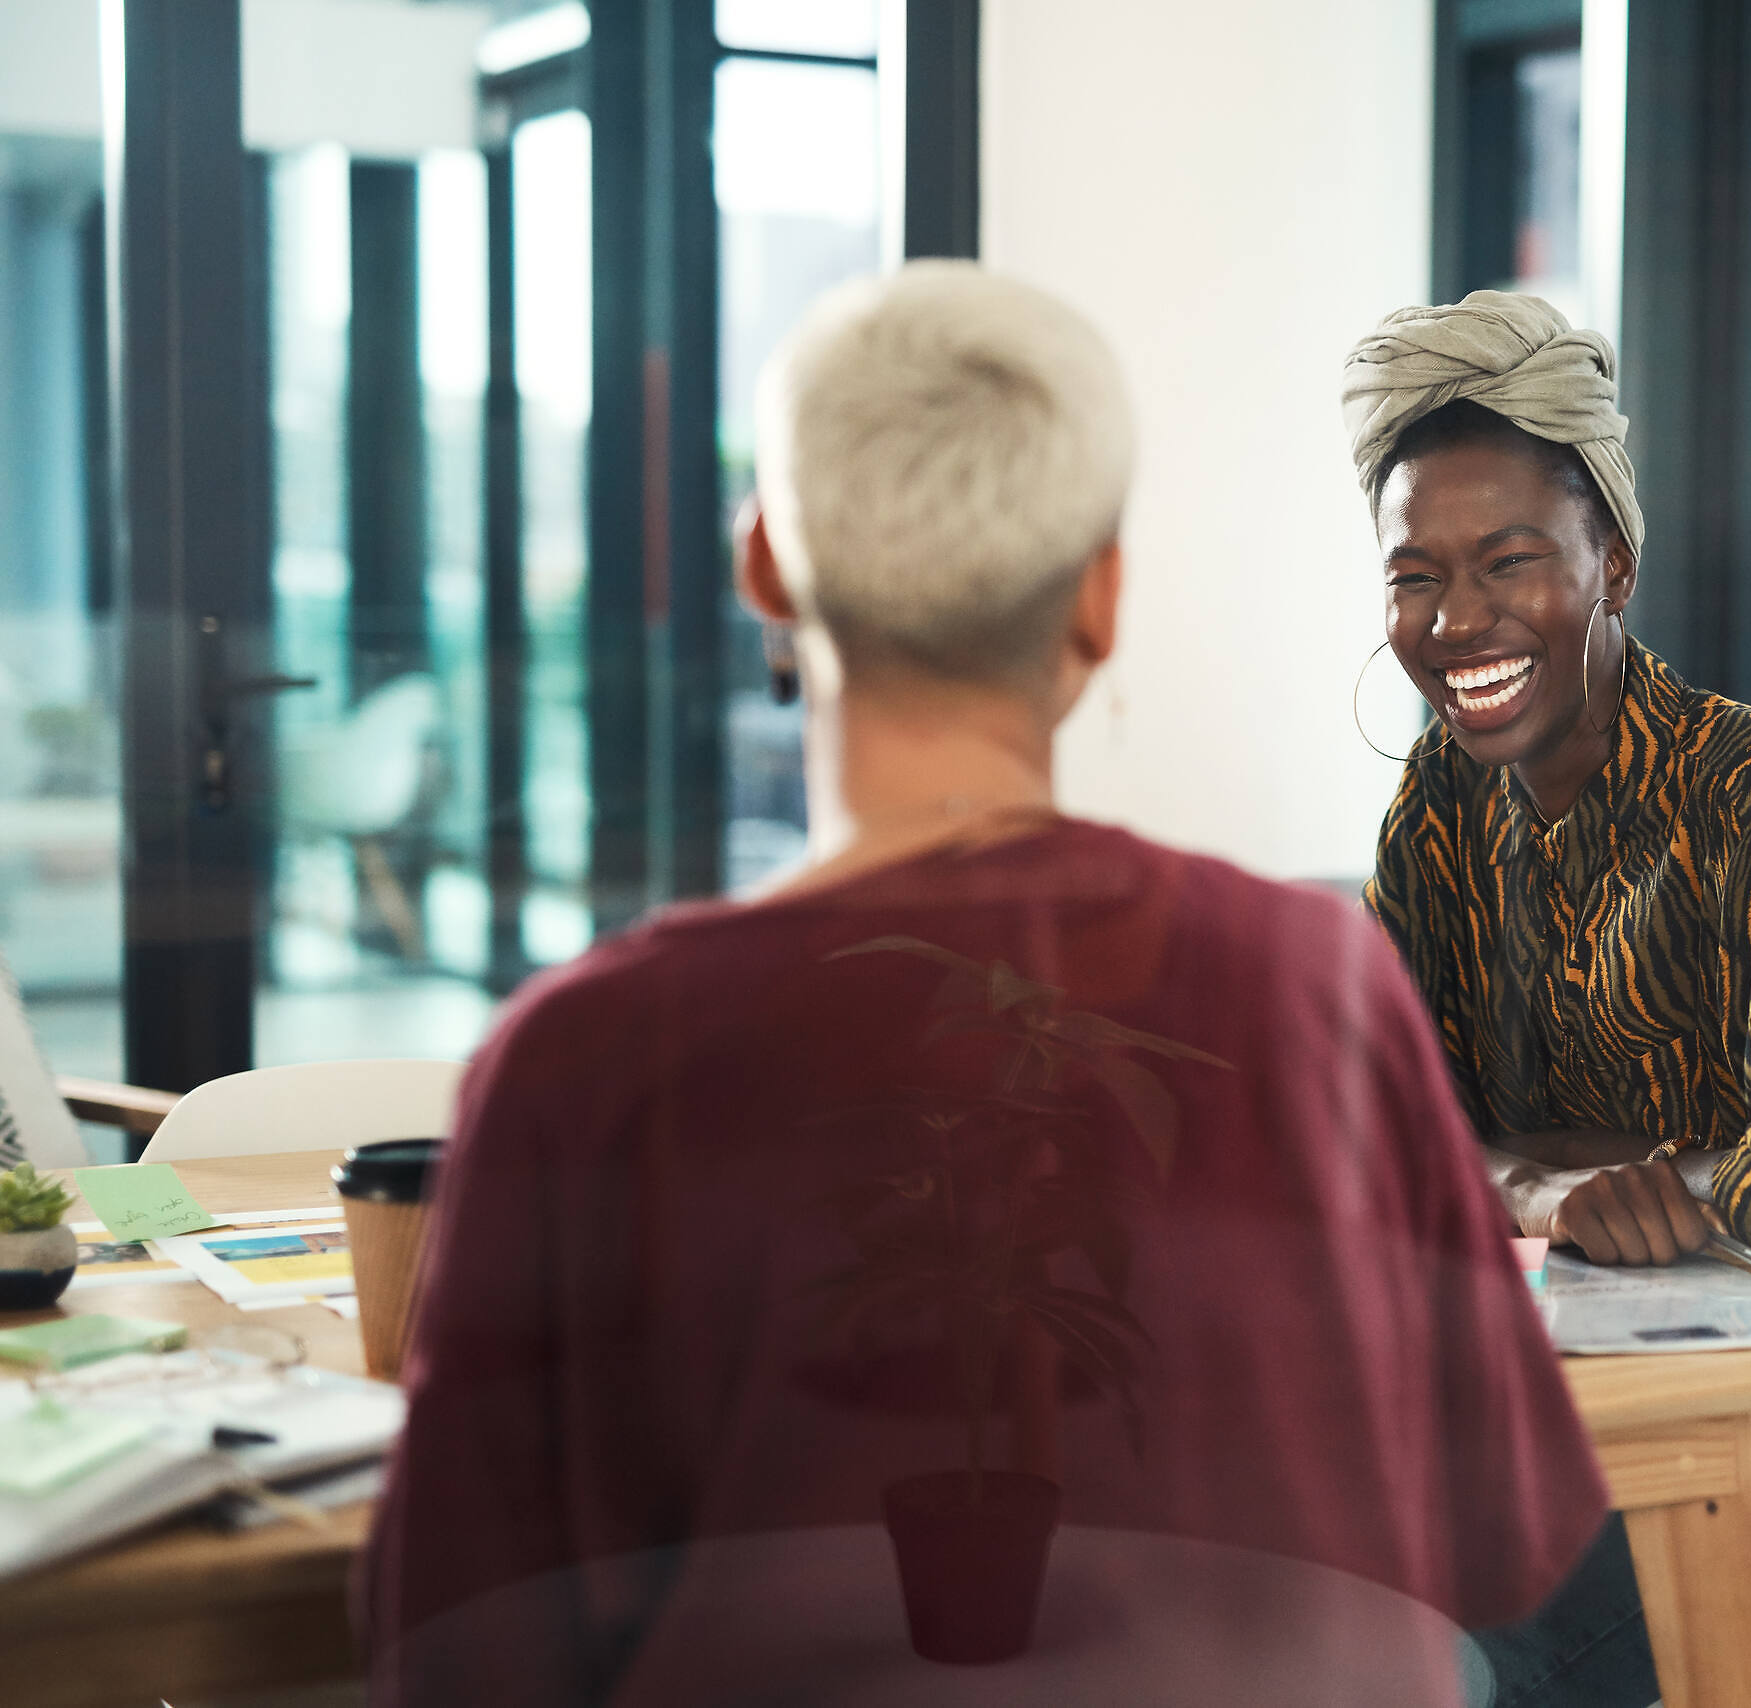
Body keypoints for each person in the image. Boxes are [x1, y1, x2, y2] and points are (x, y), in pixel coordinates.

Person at [361, 264, 1611, 1706]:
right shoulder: (1323, 988)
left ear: (765, 565)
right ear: (1101, 599)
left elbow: (449, 1659)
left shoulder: (580, 1061)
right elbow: (1502, 1541)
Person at [1344, 292, 1751, 1704]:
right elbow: (1385, 1136)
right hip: (1545, 1408)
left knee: (1454, 1656)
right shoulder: (1436, 804)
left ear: (1611, 566)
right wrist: (1540, 1183)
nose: (1457, 619)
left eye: (1510, 562)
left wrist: (1597, 1181)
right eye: (1414, 574)